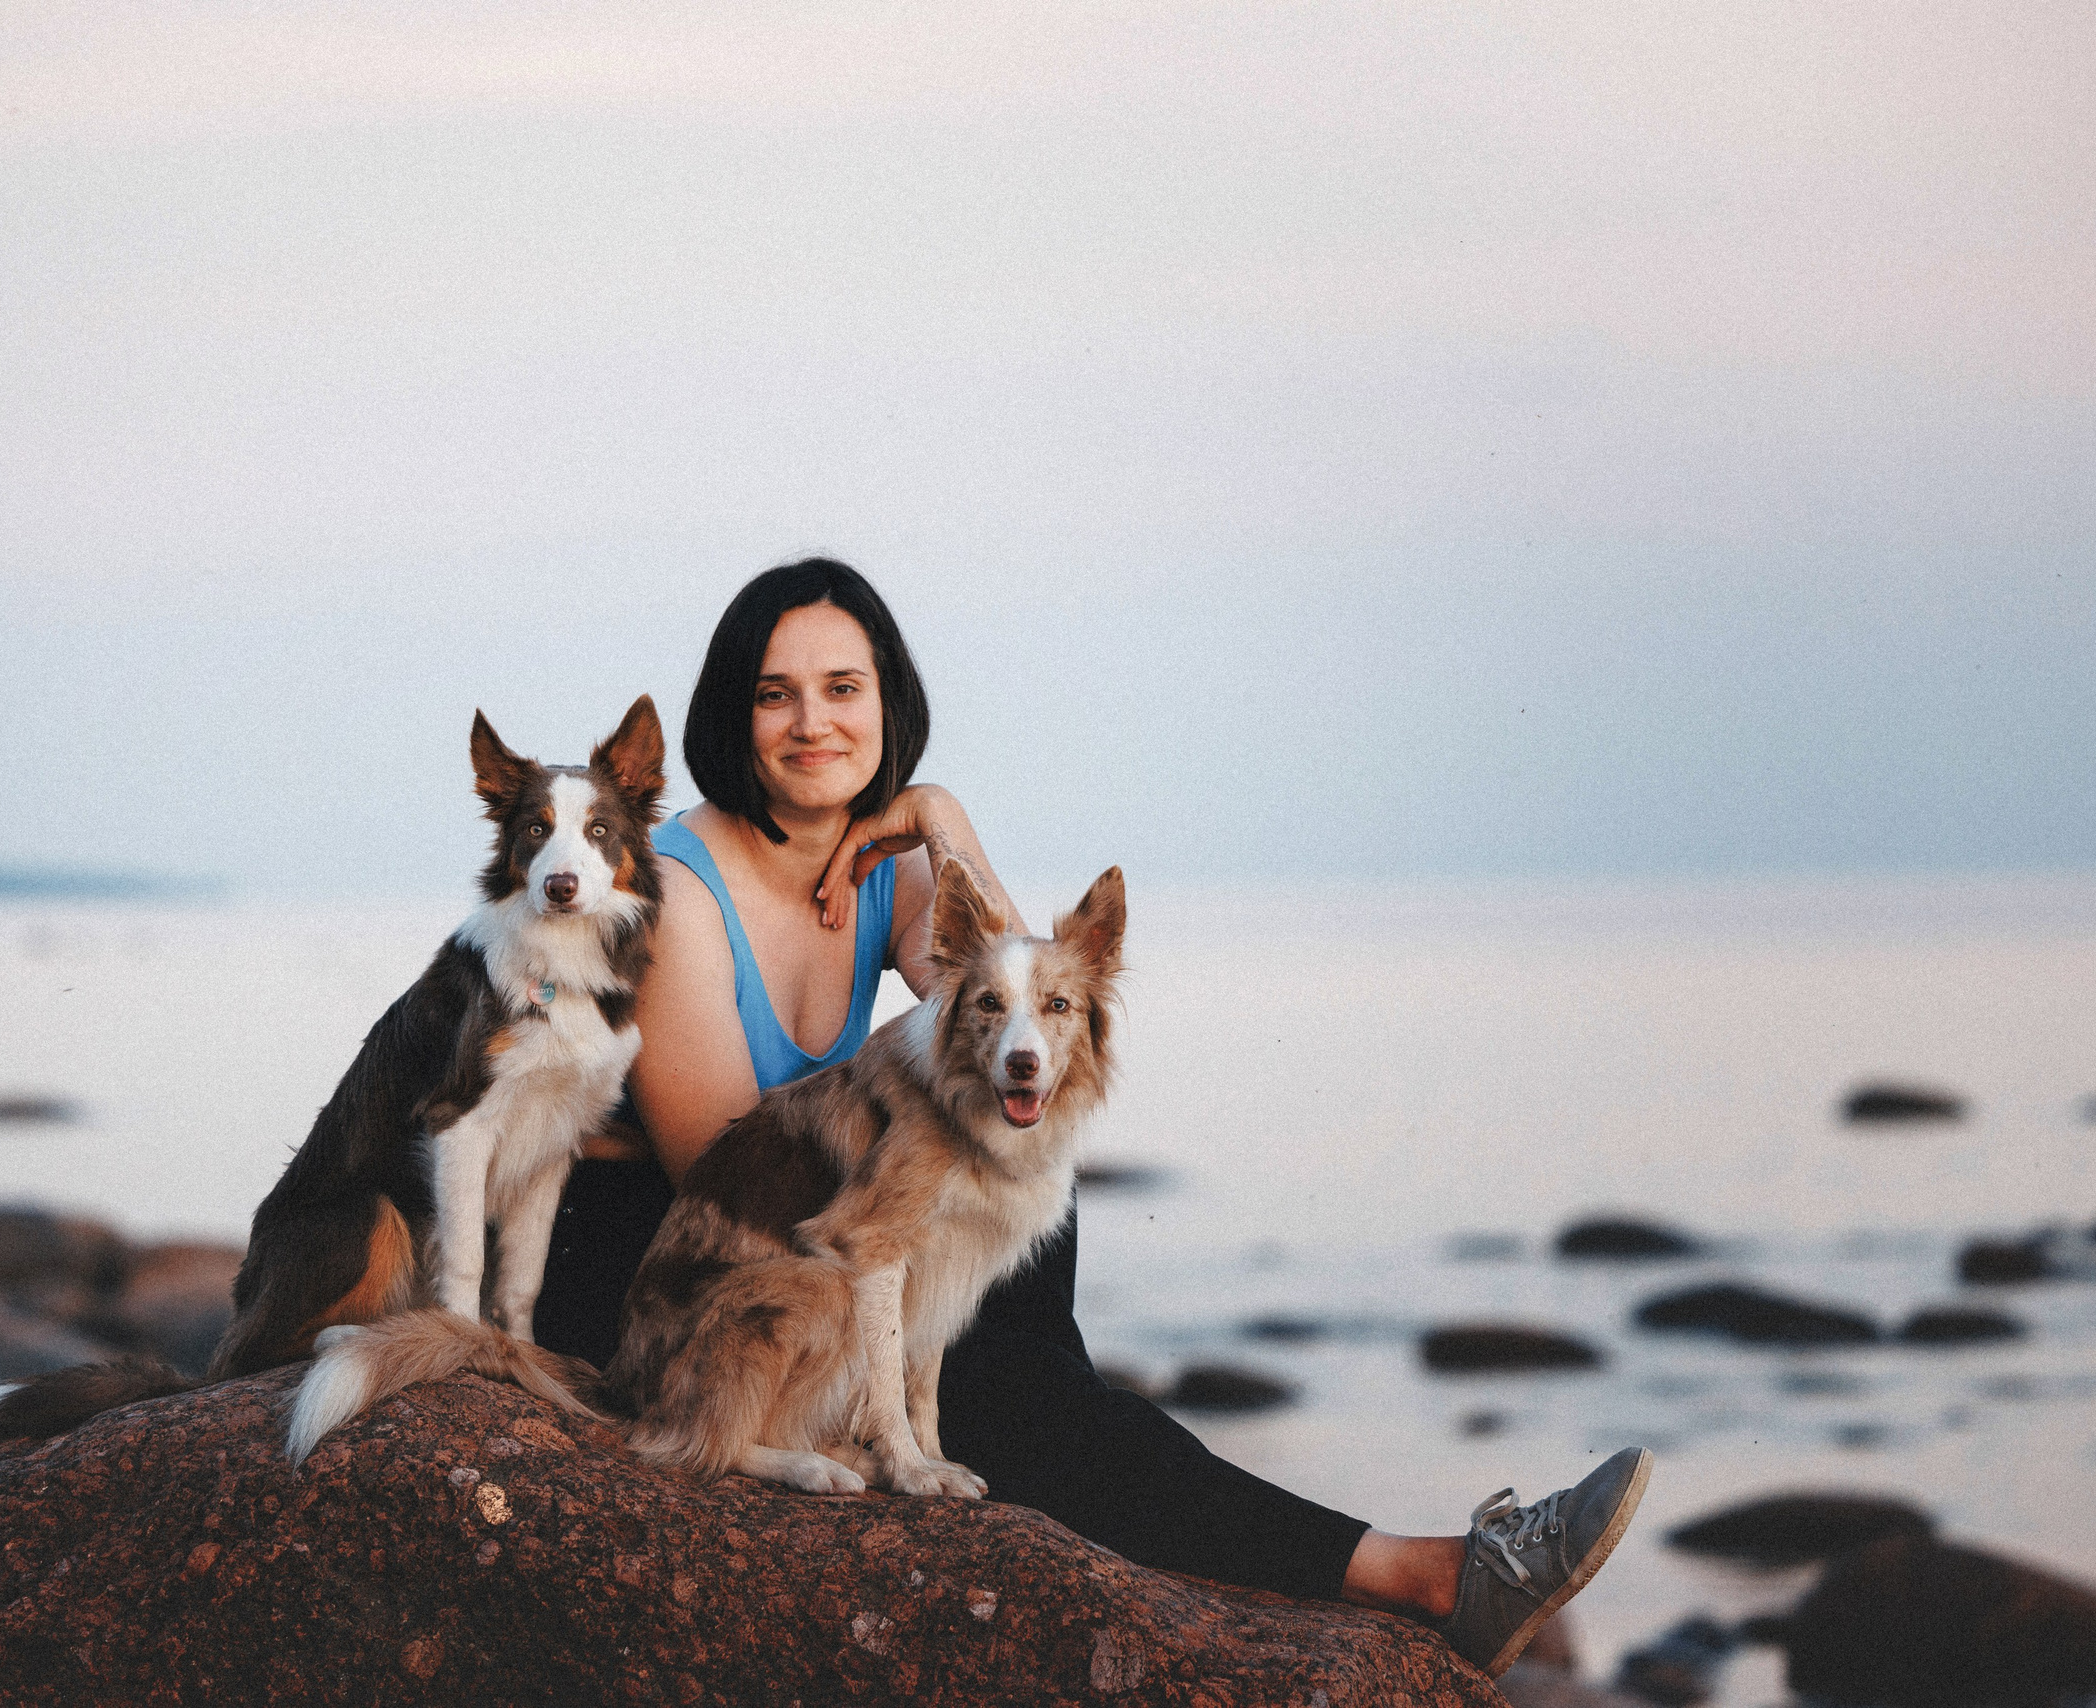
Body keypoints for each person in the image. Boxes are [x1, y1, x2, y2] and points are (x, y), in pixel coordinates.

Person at [532, 558, 1646, 1675]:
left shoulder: (888, 864)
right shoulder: (671, 894)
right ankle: (1423, 1575)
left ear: (887, 702)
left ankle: (1078, 1430)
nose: (812, 722)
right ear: (731, 715)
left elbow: (1028, 1011)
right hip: (677, 1270)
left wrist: (943, 820)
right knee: (1019, 1384)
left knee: (1031, 1194)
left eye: (843, 688)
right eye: (775, 694)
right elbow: (734, 1174)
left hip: (814, 1238)